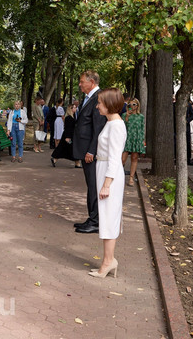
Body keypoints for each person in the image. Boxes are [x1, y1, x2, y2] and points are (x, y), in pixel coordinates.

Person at [88, 88, 127, 278]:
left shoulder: (116, 126)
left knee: (109, 216)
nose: (97, 106)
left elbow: (114, 158)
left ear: (110, 104)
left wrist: (106, 184)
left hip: (109, 173)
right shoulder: (111, 123)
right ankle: (108, 260)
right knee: (106, 215)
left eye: (100, 103)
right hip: (103, 170)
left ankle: (108, 262)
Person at [73, 70, 107, 234]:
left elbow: (98, 128)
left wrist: (91, 151)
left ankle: (95, 221)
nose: (80, 84)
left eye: (82, 81)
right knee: (90, 185)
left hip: (90, 151)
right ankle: (92, 217)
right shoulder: (88, 98)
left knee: (93, 185)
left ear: (91, 82)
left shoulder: (98, 98)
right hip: (85, 148)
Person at [120, 99, 145, 186]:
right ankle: (117, 176)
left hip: (136, 139)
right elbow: (122, 128)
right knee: (122, 159)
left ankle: (131, 177)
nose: (132, 106)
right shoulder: (124, 115)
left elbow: (142, 129)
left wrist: (142, 141)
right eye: (130, 105)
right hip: (127, 139)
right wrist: (127, 116)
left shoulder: (141, 116)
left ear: (137, 106)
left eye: (134, 104)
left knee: (134, 158)